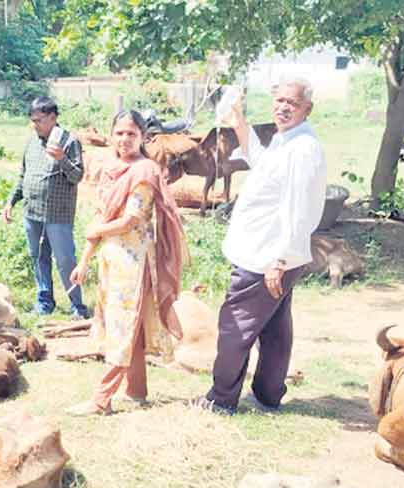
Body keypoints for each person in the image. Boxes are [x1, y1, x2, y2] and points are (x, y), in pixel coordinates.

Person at [195, 78, 327, 415]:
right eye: (279, 100)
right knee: (275, 328)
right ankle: (268, 394)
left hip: (267, 256)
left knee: (235, 325)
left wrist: (279, 260)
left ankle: (221, 399)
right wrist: (238, 121)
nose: (283, 107)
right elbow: (260, 160)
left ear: (306, 109)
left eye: (292, 103)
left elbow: (298, 208)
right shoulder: (287, 141)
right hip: (271, 253)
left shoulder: (302, 149)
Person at [66, 110, 186, 416]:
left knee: (123, 326)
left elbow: (132, 219)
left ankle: (101, 400)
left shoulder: (145, 171)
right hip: (111, 259)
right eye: (119, 133)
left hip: (134, 262)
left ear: (142, 137)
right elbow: (100, 217)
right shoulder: (109, 169)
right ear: (111, 134)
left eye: (131, 134)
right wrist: (83, 262)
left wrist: (99, 231)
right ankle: (136, 392)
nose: (124, 139)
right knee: (127, 326)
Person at [2, 96, 89, 318]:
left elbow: (77, 176)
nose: (35, 125)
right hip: (32, 212)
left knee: (65, 260)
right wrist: (11, 202)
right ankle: (44, 302)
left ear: (53, 118)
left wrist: (62, 159)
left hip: (57, 214)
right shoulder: (32, 142)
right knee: (38, 257)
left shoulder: (69, 142)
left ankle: (77, 305)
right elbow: (24, 175)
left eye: (39, 120)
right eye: (33, 120)